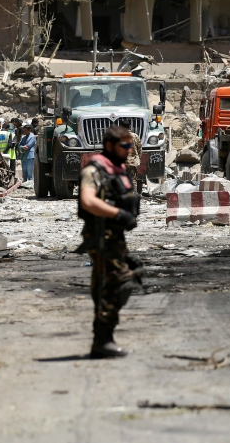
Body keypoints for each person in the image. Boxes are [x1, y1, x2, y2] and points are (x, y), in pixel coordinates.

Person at [77, 124, 141, 358]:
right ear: (109, 146)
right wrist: (117, 214)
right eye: (124, 146)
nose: (128, 150)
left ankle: (103, 338)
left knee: (110, 283)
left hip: (115, 234)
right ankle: (102, 340)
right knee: (116, 282)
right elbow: (88, 201)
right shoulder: (94, 171)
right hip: (100, 232)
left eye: (129, 145)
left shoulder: (117, 169)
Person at [118, 119, 143, 194]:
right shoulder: (135, 136)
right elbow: (139, 149)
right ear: (130, 126)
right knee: (133, 180)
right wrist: (138, 159)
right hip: (133, 162)